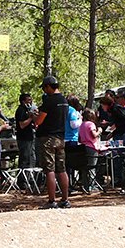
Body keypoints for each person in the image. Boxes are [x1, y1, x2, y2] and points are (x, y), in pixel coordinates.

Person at [35, 75, 70, 209]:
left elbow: (39, 121)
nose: (44, 90)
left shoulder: (49, 101)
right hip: (61, 138)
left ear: (49, 86)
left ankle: (51, 201)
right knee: (62, 169)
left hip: (48, 138)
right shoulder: (65, 101)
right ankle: (65, 199)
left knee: (49, 169)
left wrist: (34, 117)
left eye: (44, 88)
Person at [78, 108, 103, 193]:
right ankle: (91, 186)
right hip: (91, 147)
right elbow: (93, 135)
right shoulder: (91, 124)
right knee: (92, 167)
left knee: (85, 168)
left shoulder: (81, 125)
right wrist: (99, 131)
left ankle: (85, 185)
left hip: (83, 147)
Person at [14, 92, 37, 169]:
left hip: (30, 137)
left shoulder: (28, 109)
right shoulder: (21, 110)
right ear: (23, 101)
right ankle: (23, 179)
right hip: (23, 138)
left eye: (31, 100)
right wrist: (30, 118)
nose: (30, 102)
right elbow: (22, 125)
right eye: (28, 100)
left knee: (31, 158)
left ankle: (30, 177)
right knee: (25, 158)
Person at [65, 95, 83, 188]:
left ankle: (67, 184)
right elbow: (73, 124)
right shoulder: (71, 110)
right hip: (71, 139)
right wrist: (80, 119)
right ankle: (70, 185)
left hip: (63, 139)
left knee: (66, 164)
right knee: (72, 163)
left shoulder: (63, 110)